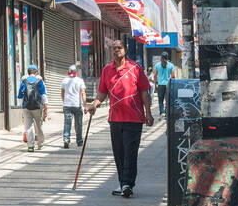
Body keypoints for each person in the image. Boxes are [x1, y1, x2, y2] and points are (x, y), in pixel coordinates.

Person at [86, 38, 154, 197]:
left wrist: (148, 114)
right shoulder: (107, 70)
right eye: (114, 48)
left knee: (130, 152)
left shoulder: (135, 68)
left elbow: (144, 92)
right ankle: (123, 183)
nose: (117, 50)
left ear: (125, 50)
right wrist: (94, 104)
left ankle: (127, 184)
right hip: (115, 119)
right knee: (119, 153)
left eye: (119, 48)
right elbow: (102, 92)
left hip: (134, 118)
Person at [17, 64, 47, 151]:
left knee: (28, 126)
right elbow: (43, 95)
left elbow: (19, 96)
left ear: (28, 72)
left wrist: (22, 106)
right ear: (36, 72)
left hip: (26, 107)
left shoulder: (24, 81)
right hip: (37, 107)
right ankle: (40, 143)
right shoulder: (39, 81)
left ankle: (30, 145)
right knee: (38, 125)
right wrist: (45, 108)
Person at [60, 64, 88, 148]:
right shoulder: (80, 81)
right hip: (77, 105)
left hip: (67, 105)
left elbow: (62, 94)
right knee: (78, 124)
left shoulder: (64, 80)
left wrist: (65, 102)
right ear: (77, 72)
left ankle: (66, 139)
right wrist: (85, 105)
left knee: (67, 123)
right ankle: (79, 141)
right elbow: (83, 93)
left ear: (68, 72)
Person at [153, 53, 177, 119]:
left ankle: (162, 113)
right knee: (167, 100)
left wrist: (155, 85)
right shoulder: (171, 65)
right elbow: (173, 76)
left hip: (160, 85)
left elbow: (155, 76)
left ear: (161, 57)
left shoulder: (157, 65)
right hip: (168, 85)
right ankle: (167, 113)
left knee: (160, 100)